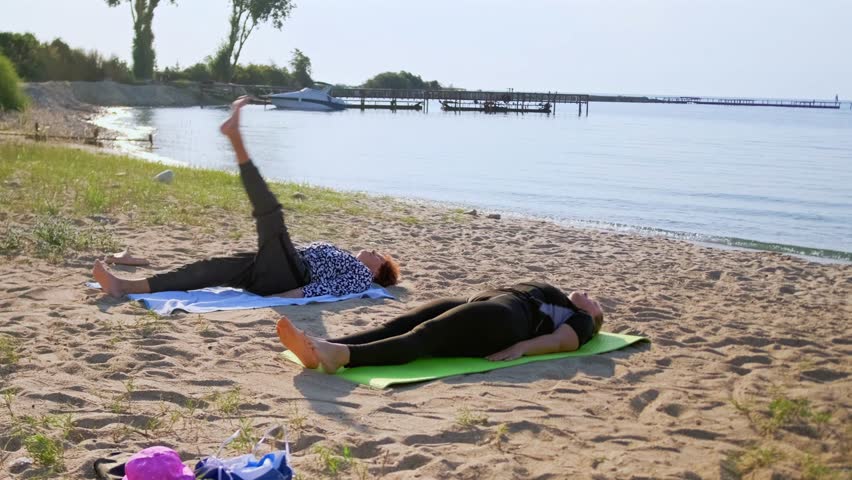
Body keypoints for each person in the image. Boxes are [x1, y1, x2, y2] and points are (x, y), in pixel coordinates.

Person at [93, 96, 400, 299]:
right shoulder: (347, 258)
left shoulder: (360, 274)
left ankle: (236, 139)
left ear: (377, 270)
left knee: (271, 213)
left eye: (378, 254)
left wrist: (283, 298)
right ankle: (125, 286)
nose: (372, 250)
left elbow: (326, 289)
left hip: (291, 275)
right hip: (274, 269)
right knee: (206, 268)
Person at [276, 281, 604, 372]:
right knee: (401, 323)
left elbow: (565, 342)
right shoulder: (562, 300)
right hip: (484, 309)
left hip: (505, 320)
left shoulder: (583, 320)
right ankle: (321, 345)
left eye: (596, 303)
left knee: (423, 337)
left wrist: (522, 348)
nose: (590, 296)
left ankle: (343, 356)